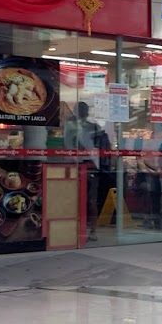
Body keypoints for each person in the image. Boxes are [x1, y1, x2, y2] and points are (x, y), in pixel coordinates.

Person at [64, 101, 109, 241]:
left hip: (85, 166)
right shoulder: (75, 126)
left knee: (86, 200)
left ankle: (87, 230)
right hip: (86, 166)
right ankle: (89, 230)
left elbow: (68, 146)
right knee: (88, 200)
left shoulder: (89, 127)